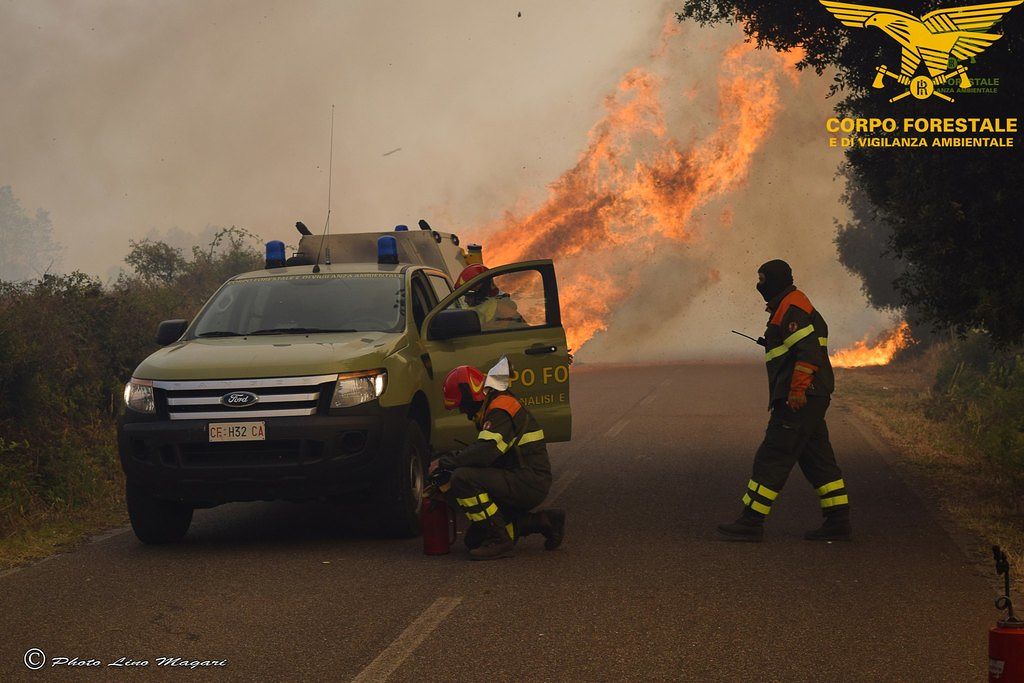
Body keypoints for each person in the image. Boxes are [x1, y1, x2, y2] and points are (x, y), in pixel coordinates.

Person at [717, 259, 851, 542]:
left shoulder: (793, 308)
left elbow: (809, 353)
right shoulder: (787, 306)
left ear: (777, 280)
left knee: (773, 454)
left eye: (763, 279)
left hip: (802, 396)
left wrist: (797, 390)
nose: (759, 285)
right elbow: (795, 347)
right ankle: (838, 520)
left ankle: (751, 521)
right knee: (817, 458)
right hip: (811, 395)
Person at [430, 358, 565, 560]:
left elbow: (485, 452)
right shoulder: (495, 404)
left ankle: (500, 539)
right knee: (473, 541)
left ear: (470, 396)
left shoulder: (501, 409)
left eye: (462, 406)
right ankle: (544, 521)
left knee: (463, 478)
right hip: (519, 476)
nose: (463, 412)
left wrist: (446, 463)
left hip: (528, 481)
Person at [455, 264, 526, 330]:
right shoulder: (481, 309)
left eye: (469, 295)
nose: (465, 300)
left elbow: (521, 329)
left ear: (481, 293)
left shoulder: (501, 309)